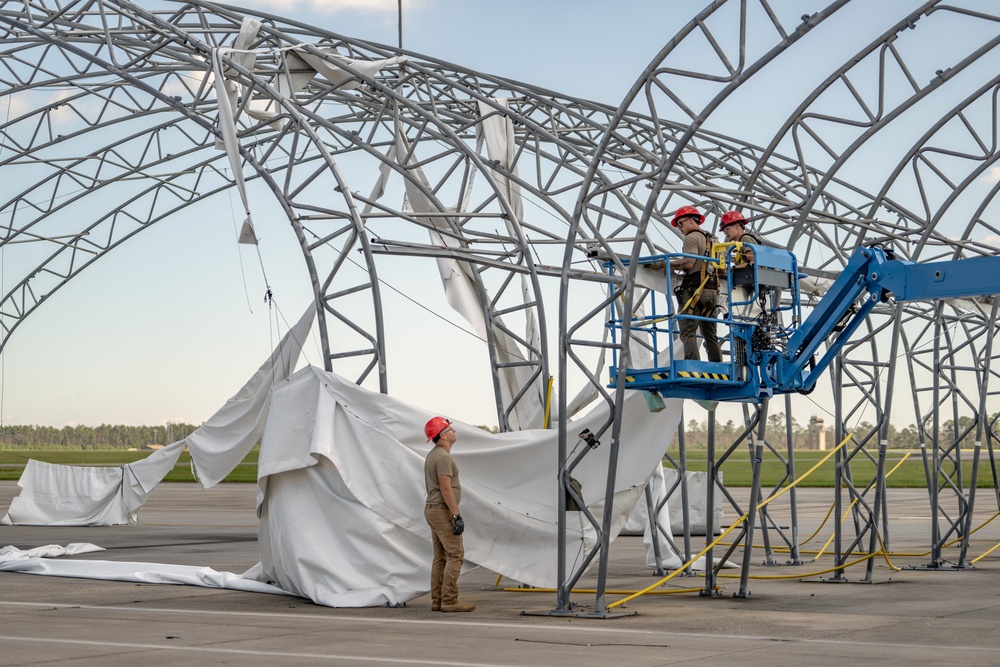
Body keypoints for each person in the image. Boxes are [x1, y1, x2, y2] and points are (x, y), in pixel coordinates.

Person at [423, 416, 475, 613]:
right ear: (443, 435)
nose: (454, 432)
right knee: (455, 554)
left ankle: (438, 600)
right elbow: (446, 489)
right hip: (442, 510)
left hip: (432, 510)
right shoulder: (444, 457)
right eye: (450, 429)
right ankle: (450, 601)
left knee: (441, 557)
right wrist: (456, 515)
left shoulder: (433, 454)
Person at [668, 205, 722, 362]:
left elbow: (689, 263)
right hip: (713, 293)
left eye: (680, 223)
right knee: (710, 334)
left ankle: (692, 366)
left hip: (695, 291)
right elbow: (722, 269)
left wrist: (666, 264)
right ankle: (717, 365)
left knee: (687, 331)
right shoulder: (714, 240)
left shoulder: (691, 237)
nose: (679, 228)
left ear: (691, 220)